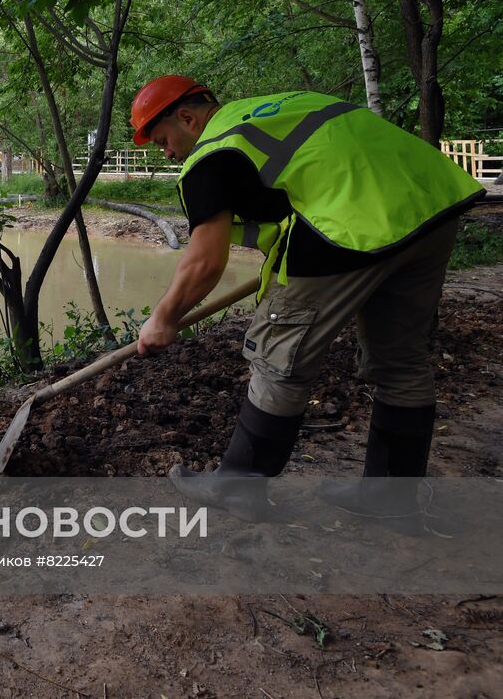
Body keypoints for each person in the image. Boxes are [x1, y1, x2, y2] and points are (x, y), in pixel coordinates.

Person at [129, 76, 483, 520]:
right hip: (432, 208)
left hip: (352, 223)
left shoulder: (213, 153)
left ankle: (239, 486)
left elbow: (204, 262)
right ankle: (390, 498)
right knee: (401, 361)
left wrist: (163, 318)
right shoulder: (277, 106)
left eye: (163, 140)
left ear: (187, 117)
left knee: (278, 356)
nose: (167, 153)